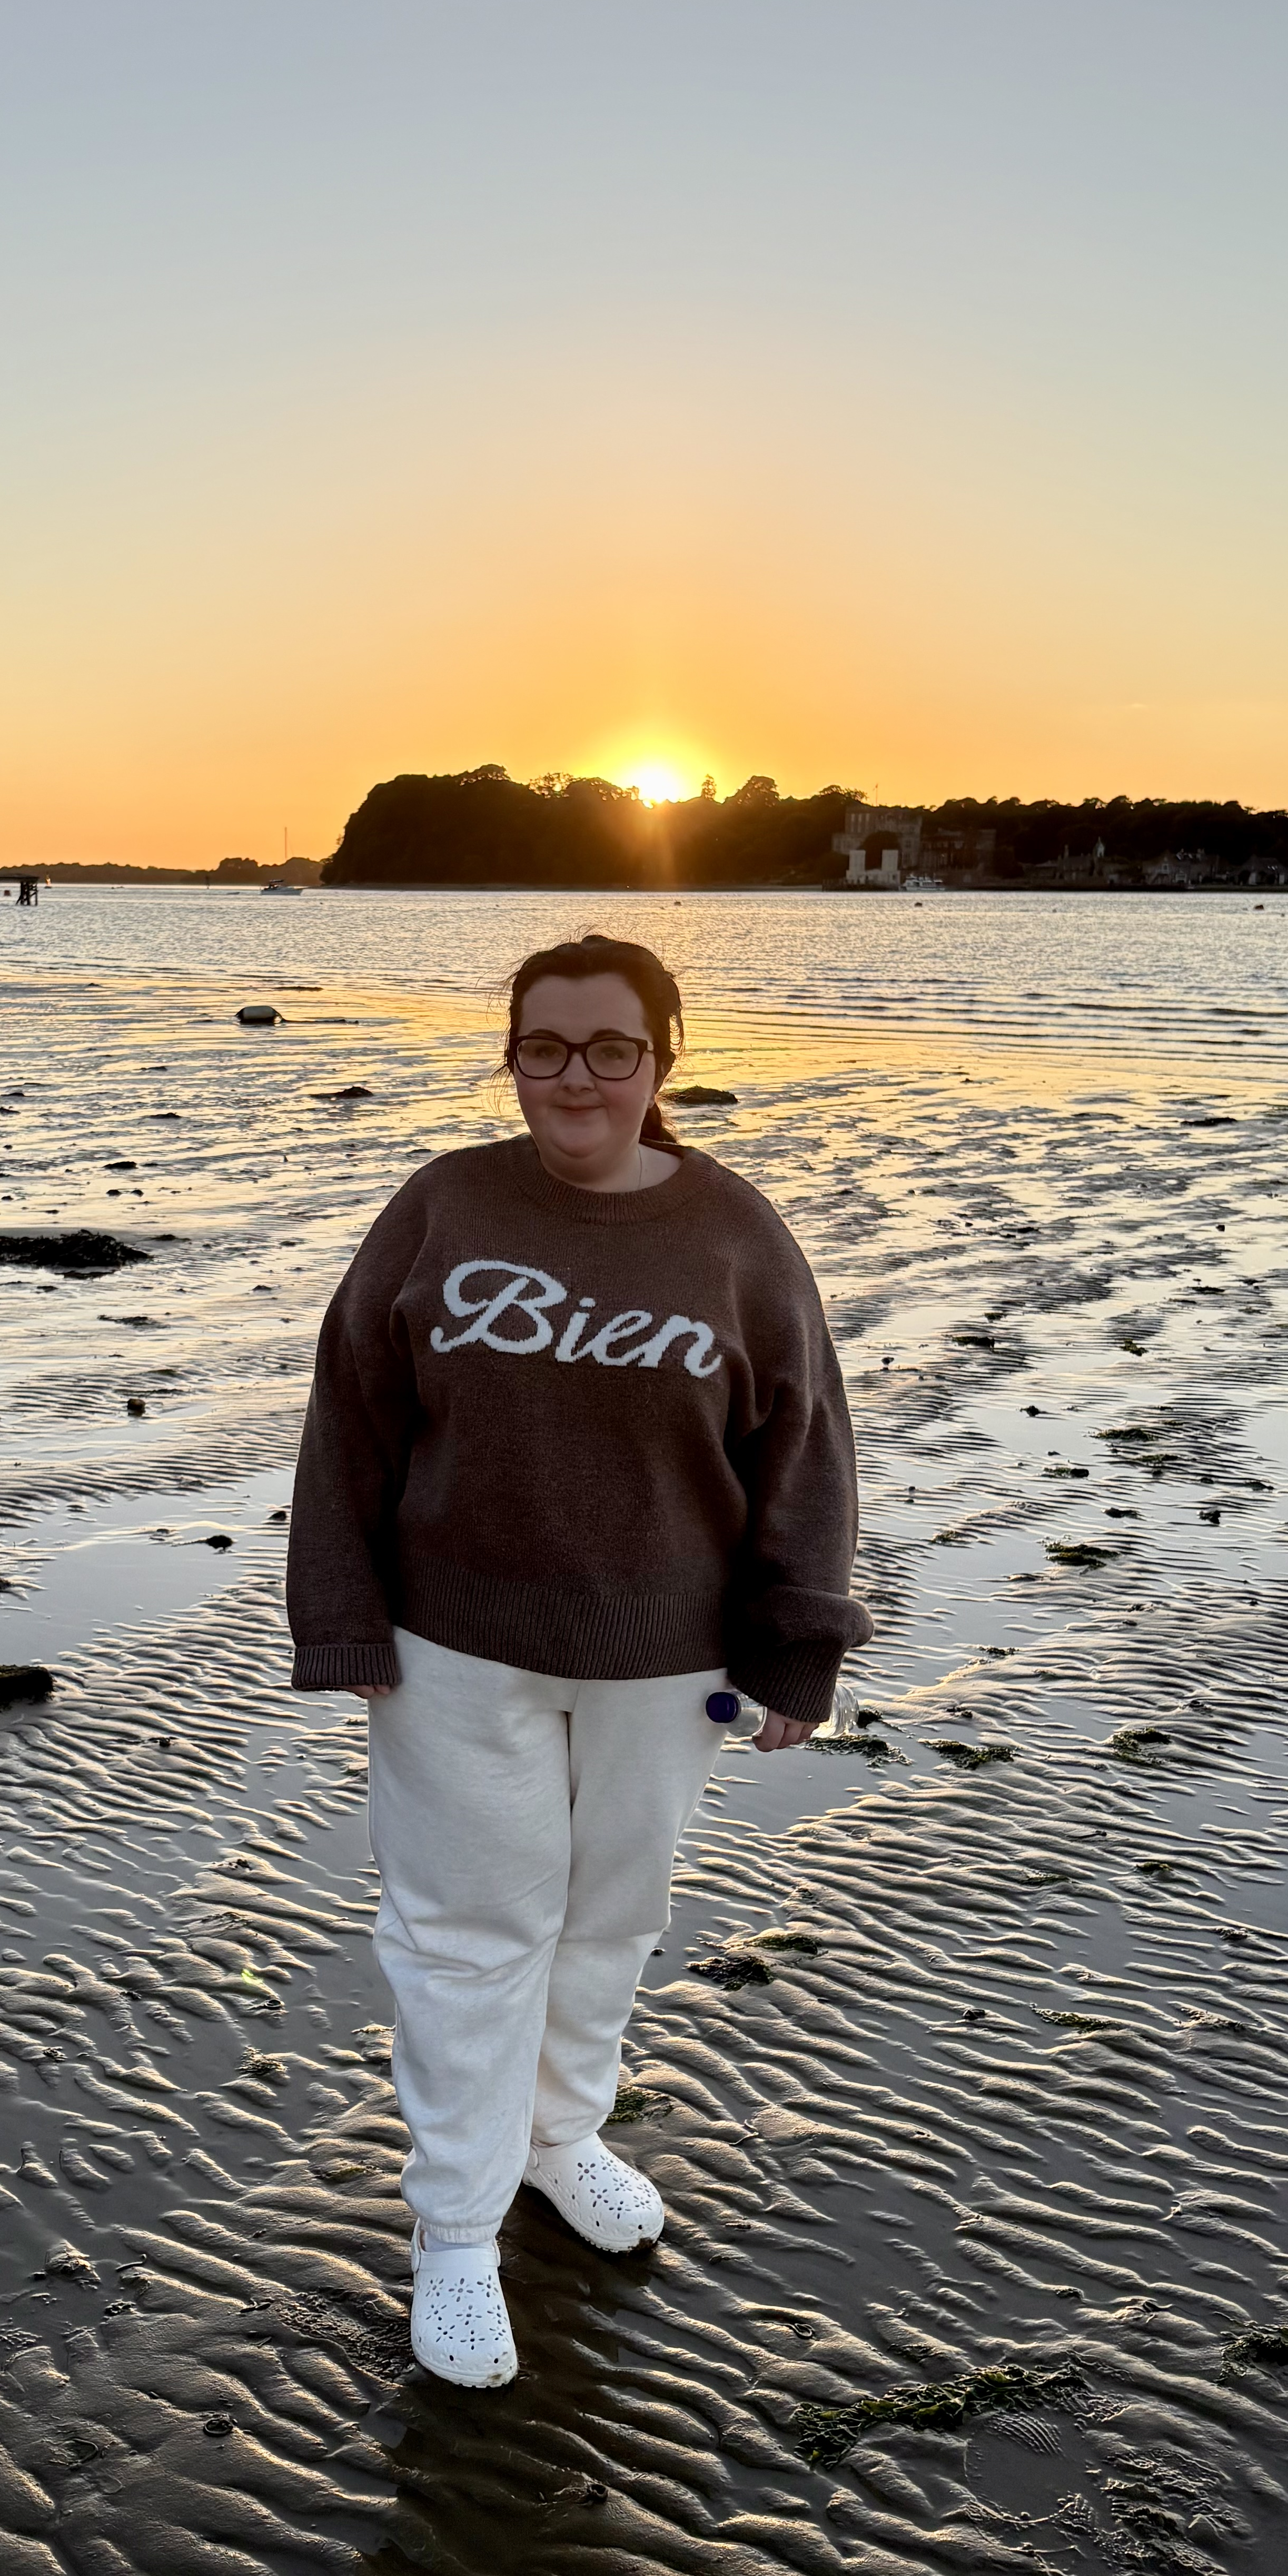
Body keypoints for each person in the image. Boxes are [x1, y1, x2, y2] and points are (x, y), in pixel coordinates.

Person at [286, 934, 867, 2385]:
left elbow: (801, 1448)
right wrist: (342, 1620)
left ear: (663, 1057)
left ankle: (559, 2141)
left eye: (610, 1048)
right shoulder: (442, 1206)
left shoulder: (734, 1234)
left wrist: (796, 1649)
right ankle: (454, 2236)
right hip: (451, 1655)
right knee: (466, 1940)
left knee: (606, 1918)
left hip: (666, 1664)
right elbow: (350, 1413)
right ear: (510, 1056)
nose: (574, 1077)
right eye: (543, 1046)